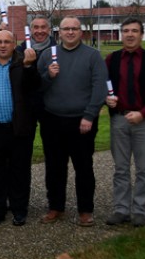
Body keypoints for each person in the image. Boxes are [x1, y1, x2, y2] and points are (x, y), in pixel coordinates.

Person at [37, 16, 107, 226]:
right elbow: (36, 87)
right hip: (53, 121)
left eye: (74, 29)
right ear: (58, 33)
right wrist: (48, 76)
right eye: (66, 29)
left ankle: (85, 210)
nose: (69, 32)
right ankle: (56, 207)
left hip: (81, 122)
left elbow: (100, 87)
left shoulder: (92, 56)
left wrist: (89, 115)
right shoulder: (48, 55)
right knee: (54, 167)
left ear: (81, 32)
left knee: (84, 167)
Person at [104, 18, 145, 227]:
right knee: (121, 168)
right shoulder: (112, 59)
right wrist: (107, 98)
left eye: (134, 31)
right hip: (119, 120)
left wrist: (143, 113)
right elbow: (103, 84)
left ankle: (140, 210)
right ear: (121, 34)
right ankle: (121, 209)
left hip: (144, 121)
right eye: (125, 31)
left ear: (141, 35)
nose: (130, 35)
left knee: (143, 168)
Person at [0, 30, 40, 226]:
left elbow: (34, 89)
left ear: (14, 44)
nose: (3, 45)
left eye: (7, 42)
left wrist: (29, 67)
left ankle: (19, 210)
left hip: (19, 128)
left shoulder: (23, 64)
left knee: (19, 172)